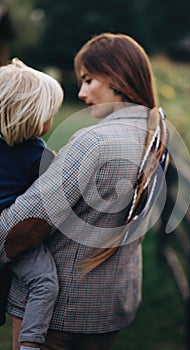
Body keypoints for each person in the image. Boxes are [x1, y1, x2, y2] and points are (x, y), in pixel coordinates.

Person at [0, 33, 169, 350]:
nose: (81, 92)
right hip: (111, 304)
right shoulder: (156, 136)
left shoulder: (94, 142)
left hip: (58, 312)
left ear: (115, 75)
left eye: (89, 79)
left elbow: (26, 224)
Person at [0, 58, 64, 350]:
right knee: (44, 282)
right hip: (13, 234)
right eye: (50, 113)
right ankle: (30, 344)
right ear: (32, 115)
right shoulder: (38, 154)